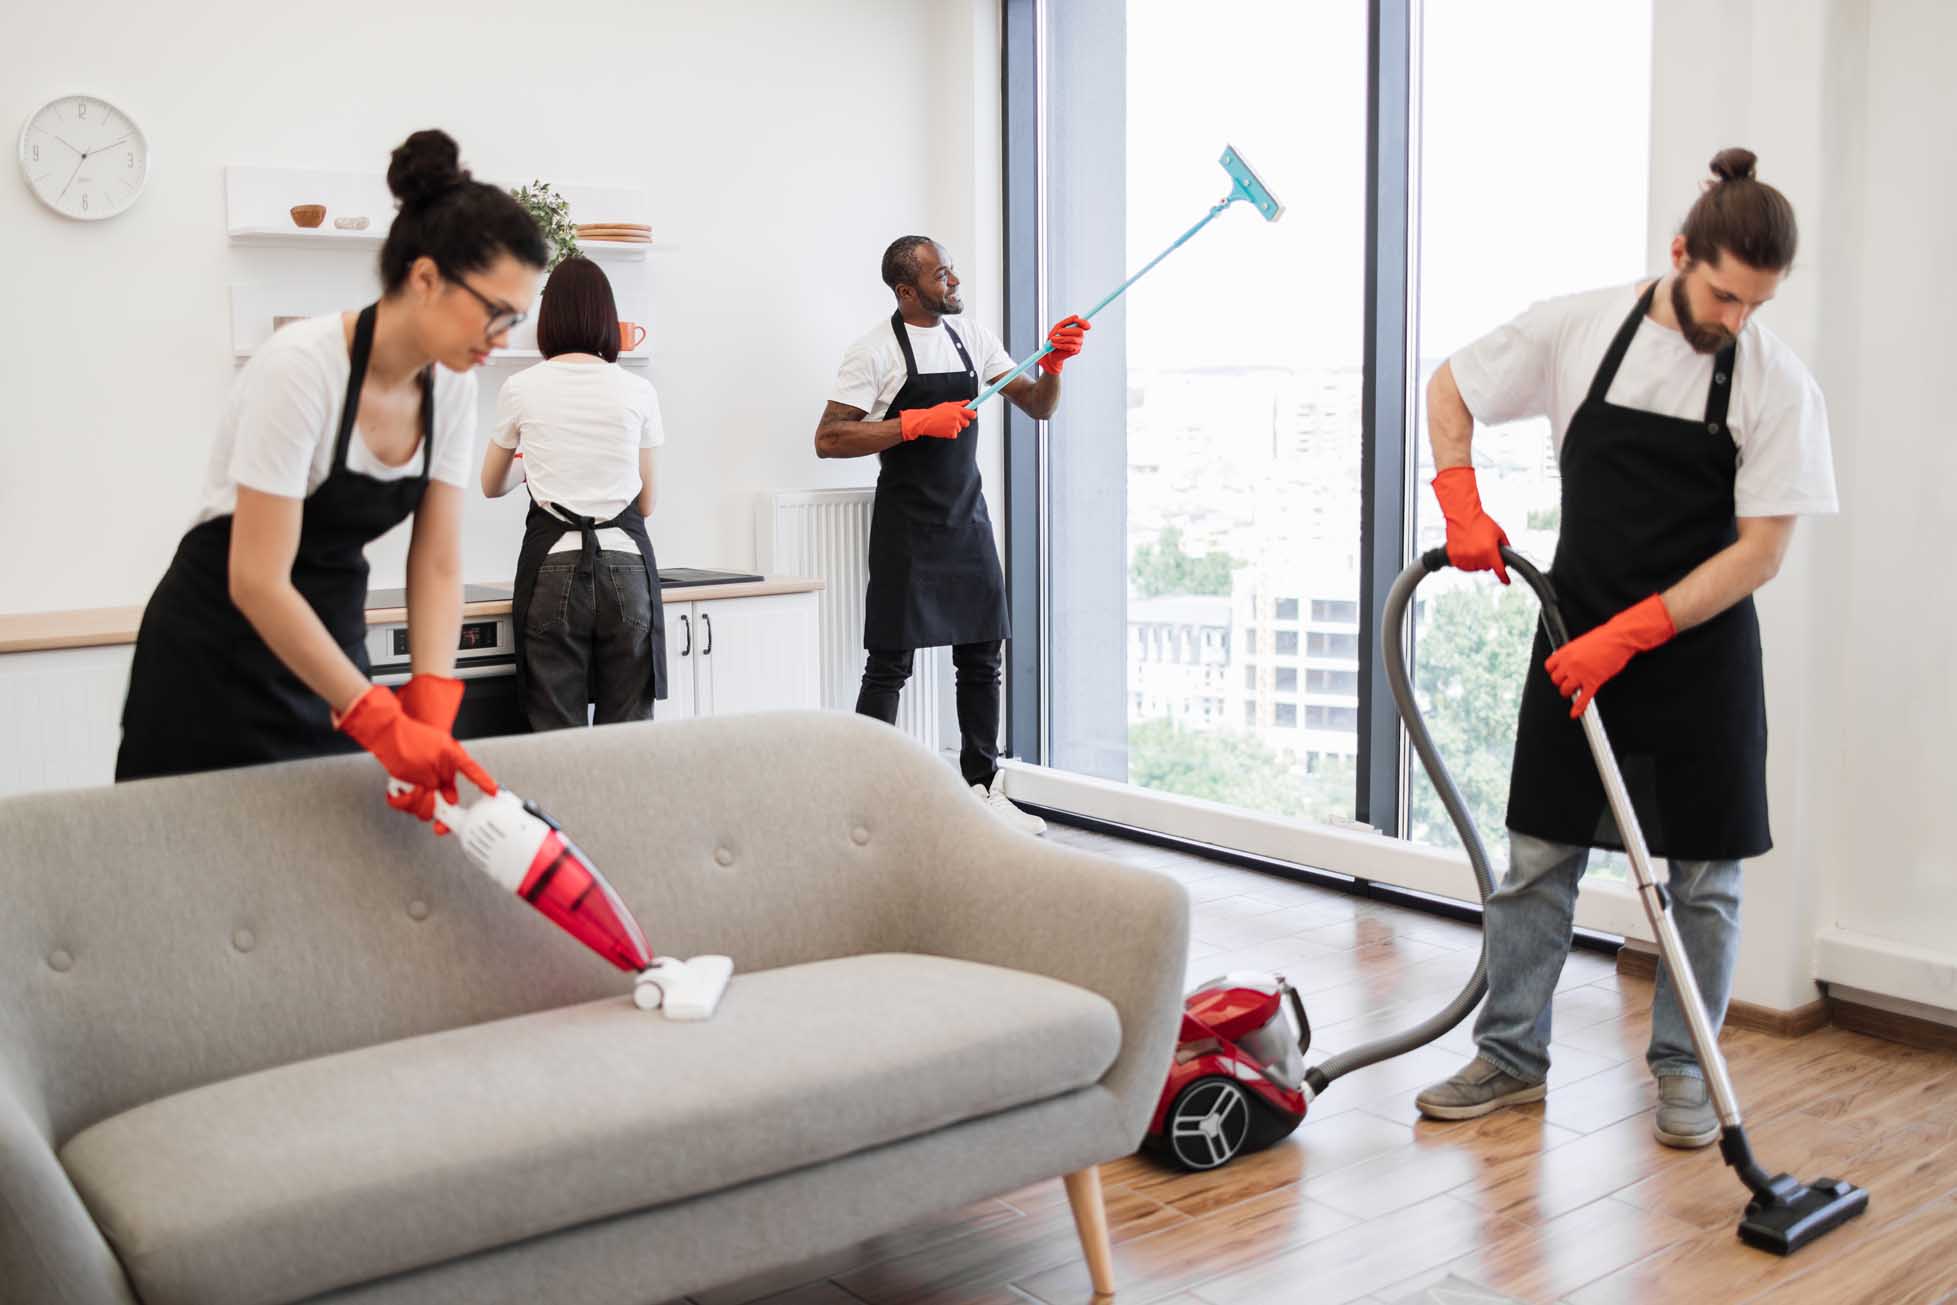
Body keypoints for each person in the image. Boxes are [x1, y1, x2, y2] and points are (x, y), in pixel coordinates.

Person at [1413, 149, 1839, 1148]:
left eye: (1754, 305)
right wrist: (1458, 493)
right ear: (1680, 251)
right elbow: (1450, 385)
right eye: (1724, 295)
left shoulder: (1776, 383)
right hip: (1573, 633)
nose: (1734, 320)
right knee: (1536, 856)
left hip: (1695, 654)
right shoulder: (1578, 325)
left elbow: (1760, 553)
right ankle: (1510, 1057)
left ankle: (1686, 1070)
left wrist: (1637, 631)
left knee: (1703, 880)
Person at [117, 129, 546, 829]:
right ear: (426, 276)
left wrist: (432, 700)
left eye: (515, 318)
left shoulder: (453, 386)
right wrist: (376, 715)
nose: (501, 337)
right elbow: (255, 577)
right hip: (215, 654)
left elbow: (436, 559)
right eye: (495, 311)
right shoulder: (302, 368)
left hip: (327, 648)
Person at [815, 236, 1088, 835]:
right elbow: (830, 438)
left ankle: (982, 790)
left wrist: (1054, 364)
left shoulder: (975, 340)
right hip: (907, 528)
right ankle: (866, 799)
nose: (955, 281)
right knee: (888, 665)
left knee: (983, 658)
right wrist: (911, 423)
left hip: (967, 521)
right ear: (906, 290)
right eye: (942, 275)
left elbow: (1039, 407)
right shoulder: (873, 352)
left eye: (952, 270)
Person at [481, 257, 666, 731]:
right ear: (607, 317)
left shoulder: (521, 387)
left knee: (555, 735)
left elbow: (490, 484)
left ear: (549, 320)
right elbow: (645, 503)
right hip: (626, 564)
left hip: (553, 565)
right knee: (625, 734)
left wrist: (532, 471)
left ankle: (561, 809)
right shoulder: (637, 390)